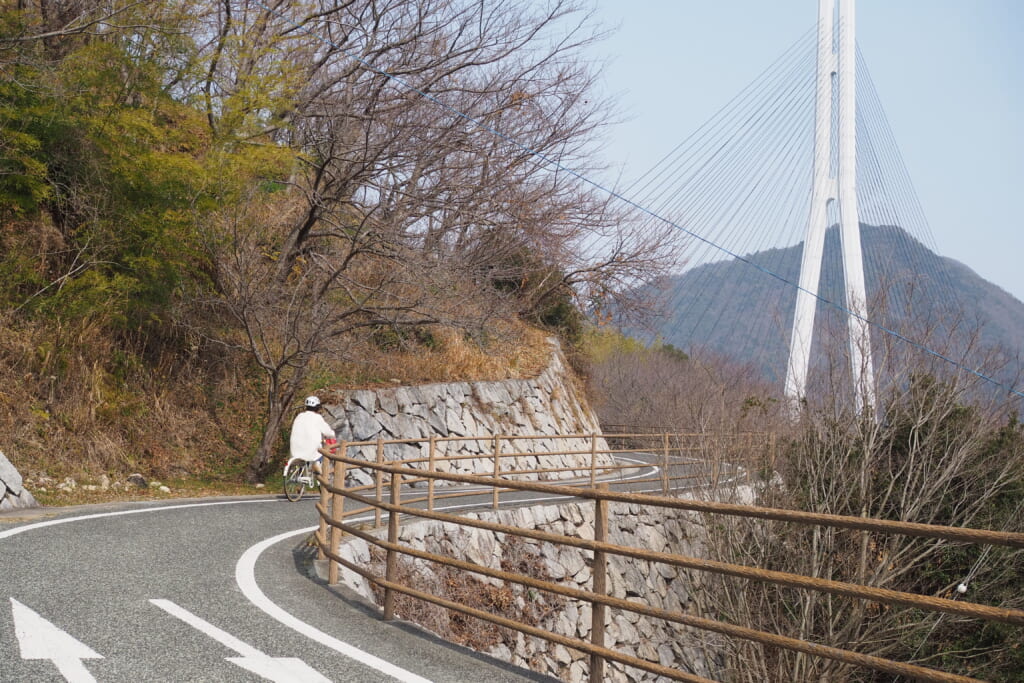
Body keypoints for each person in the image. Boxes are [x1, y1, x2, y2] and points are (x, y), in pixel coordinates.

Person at [289, 396, 336, 480]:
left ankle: (297, 475)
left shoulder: (299, 416)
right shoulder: (317, 417)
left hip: (295, 449)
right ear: (317, 407)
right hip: (311, 449)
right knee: (322, 452)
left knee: (302, 457)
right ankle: (317, 463)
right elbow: (327, 432)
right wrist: (332, 434)